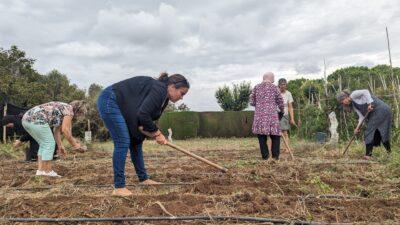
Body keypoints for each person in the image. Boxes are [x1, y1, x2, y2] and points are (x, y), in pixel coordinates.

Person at [97, 72, 190, 197]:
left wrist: (152, 132)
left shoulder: (164, 98)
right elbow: (143, 114)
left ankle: (144, 179)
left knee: (136, 141)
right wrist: (157, 133)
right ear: (172, 87)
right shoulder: (159, 90)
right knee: (123, 141)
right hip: (111, 99)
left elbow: (143, 123)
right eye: (182, 93)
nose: (182, 97)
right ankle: (119, 187)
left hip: (125, 108)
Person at [22, 101, 88, 177]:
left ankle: (40, 171)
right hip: (36, 119)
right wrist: (76, 145)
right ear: (78, 110)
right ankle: (48, 171)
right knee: (49, 143)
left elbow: (56, 130)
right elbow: (65, 130)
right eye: (81, 114)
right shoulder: (69, 110)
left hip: (26, 119)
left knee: (44, 144)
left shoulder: (62, 109)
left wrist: (60, 146)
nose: (80, 116)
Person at [337, 89, 392, 160]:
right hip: (379, 112)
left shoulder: (353, 95)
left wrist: (369, 103)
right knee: (382, 132)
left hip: (380, 109)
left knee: (369, 131)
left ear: (345, 97)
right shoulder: (354, 105)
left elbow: (365, 91)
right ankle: (390, 153)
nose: (343, 103)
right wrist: (357, 128)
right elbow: (361, 117)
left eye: (342, 101)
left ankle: (368, 155)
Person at [250, 72, 284, 161]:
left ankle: (265, 157)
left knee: (261, 136)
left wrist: (260, 105)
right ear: (270, 78)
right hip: (272, 116)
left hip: (259, 116)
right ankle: (275, 157)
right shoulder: (275, 88)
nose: (274, 80)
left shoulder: (256, 87)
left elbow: (252, 102)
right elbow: (280, 101)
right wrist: (282, 110)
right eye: (274, 77)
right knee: (275, 136)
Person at [277, 78, 296, 151]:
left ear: (286, 85)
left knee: (285, 132)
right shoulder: (276, 93)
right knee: (275, 133)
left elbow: (290, 107)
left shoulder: (288, 93)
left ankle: (287, 148)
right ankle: (273, 149)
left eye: (284, 84)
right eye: (281, 85)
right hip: (276, 115)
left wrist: (292, 118)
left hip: (285, 115)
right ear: (279, 85)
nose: (283, 86)